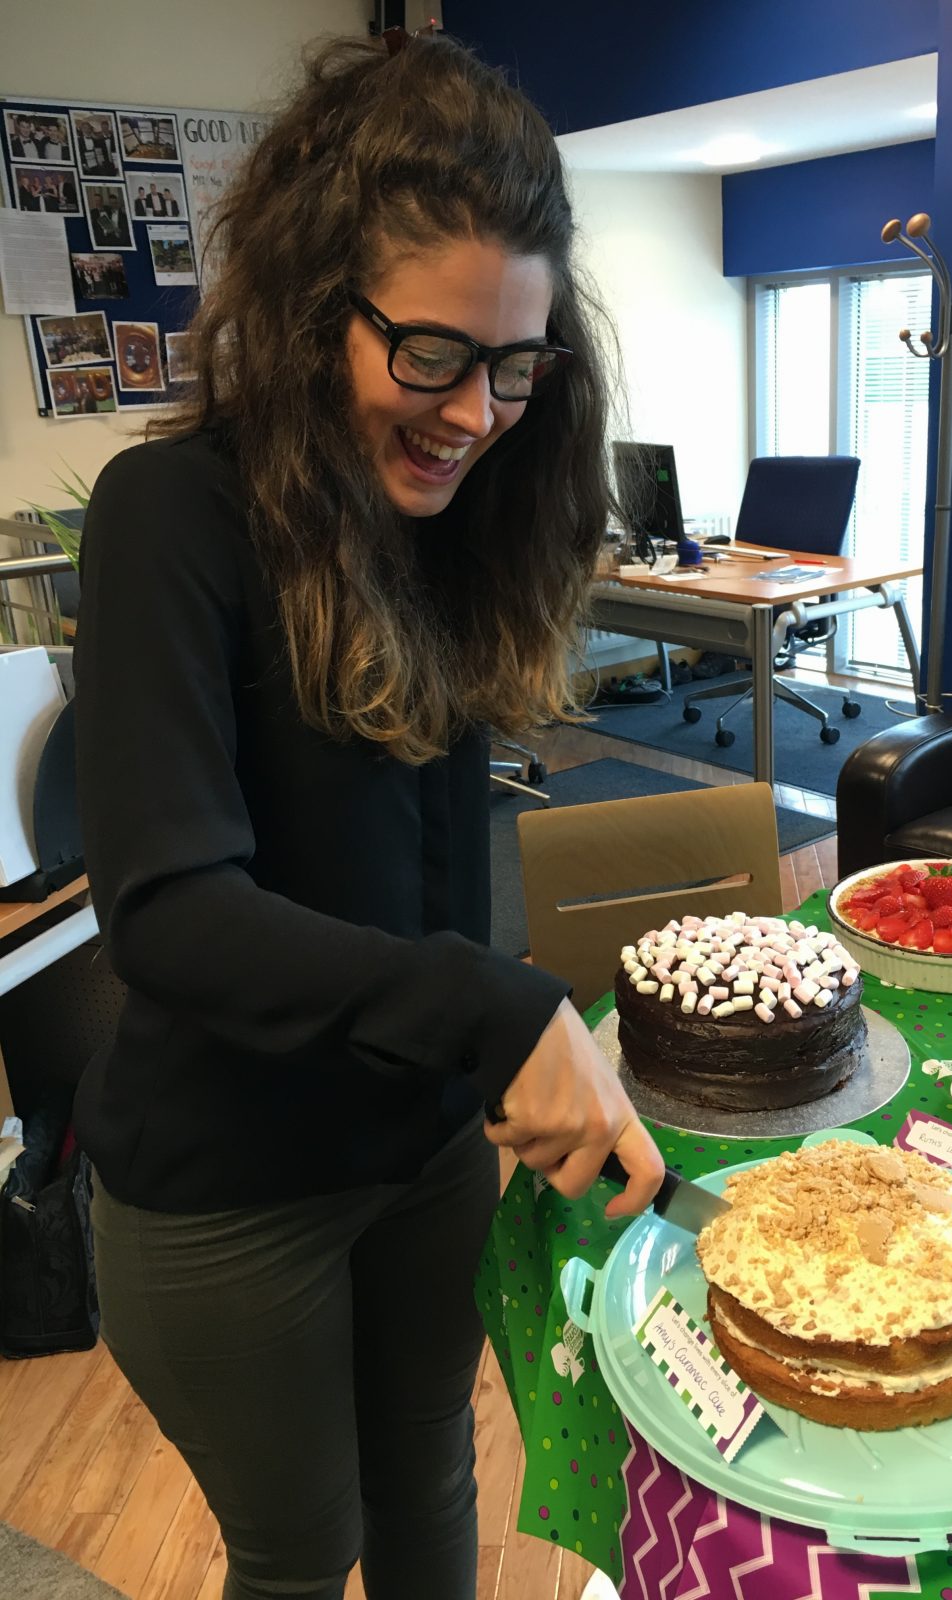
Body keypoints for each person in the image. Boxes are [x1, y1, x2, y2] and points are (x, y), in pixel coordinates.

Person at [72, 28, 663, 1600]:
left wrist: (492, 1055)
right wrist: (495, 1009)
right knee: (300, 1551)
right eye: (432, 355)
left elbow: (425, 886)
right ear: (307, 301)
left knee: (431, 1494)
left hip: (422, 1152)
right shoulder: (169, 515)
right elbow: (172, 911)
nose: (475, 414)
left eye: (516, 366)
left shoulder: (455, 521)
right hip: (223, 1197)